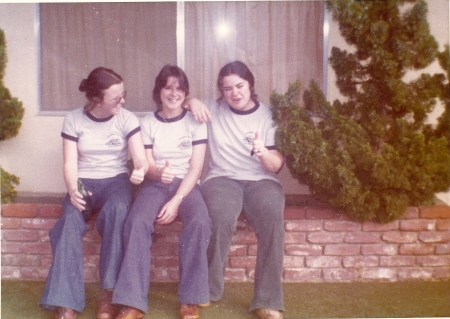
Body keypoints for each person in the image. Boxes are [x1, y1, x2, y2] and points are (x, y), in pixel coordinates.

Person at [40, 67, 148, 319]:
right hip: (84, 180)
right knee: (69, 219)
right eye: (116, 98)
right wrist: (72, 188)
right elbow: (70, 163)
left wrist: (140, 171)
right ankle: (65, 301)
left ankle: (108, 294)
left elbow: (140, 158)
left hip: (116, 181)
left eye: (124, 94)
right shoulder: (74, 119)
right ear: (96, 99)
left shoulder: (127, 118)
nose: (123, 101)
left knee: (118, 211)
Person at [186, 61, 285, 319]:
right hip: (223, 178)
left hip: (262, 180)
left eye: (240, 86)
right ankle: (208, 289)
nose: (235, 93)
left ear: (250, 85)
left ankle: (267, 300)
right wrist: (192, 101)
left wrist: (263, 153)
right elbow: (180, 99)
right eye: (227, 88)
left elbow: (275, 166)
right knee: (219, 216)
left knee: (273, 220)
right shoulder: (214, 109)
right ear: (222, 91)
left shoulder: (268, 115)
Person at [112, 65, 211, 319]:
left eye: (179, 88)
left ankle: (190, 299)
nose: (174, 93)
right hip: (155, 184)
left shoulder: (195, 122)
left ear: (185, 92)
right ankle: (133, 301)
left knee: (200, 221)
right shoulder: (147, 124)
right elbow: (146, 166)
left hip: (186, 185)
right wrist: (158, 173)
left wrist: (177, 200)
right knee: (135, 221)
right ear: (159, 91)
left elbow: (196, 169)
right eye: (168, 87)